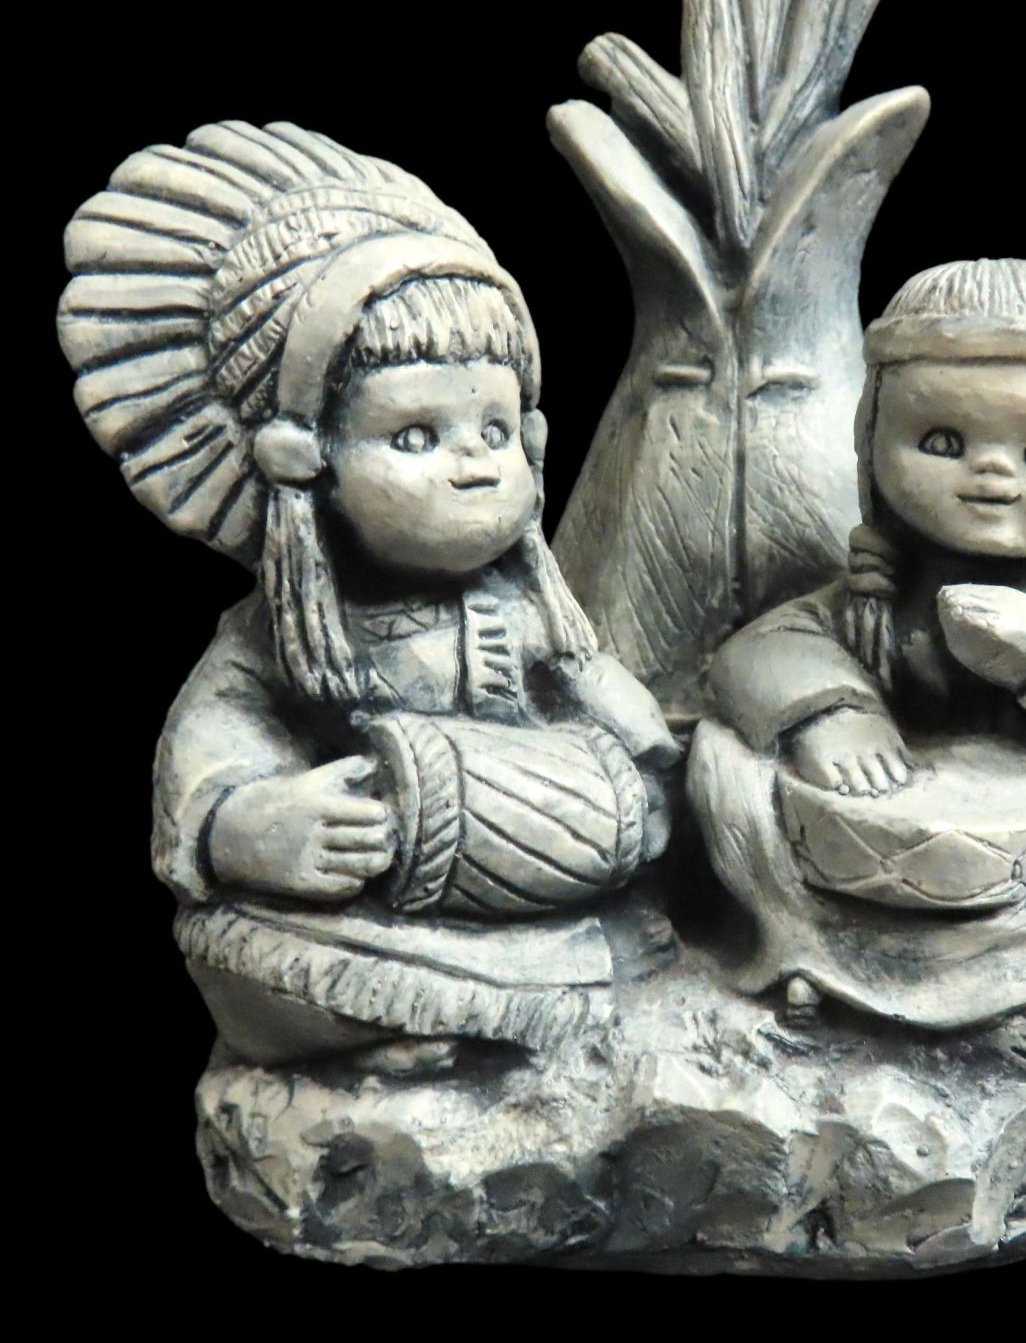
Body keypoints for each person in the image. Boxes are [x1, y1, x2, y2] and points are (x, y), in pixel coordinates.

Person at [59, 121, 677, 1064]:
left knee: (643, 929)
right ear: (306, 461)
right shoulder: (284, 632)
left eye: (494, 431)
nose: (474, 465)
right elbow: (211, 749)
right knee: (245, 951)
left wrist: (636, 783)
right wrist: (243, 830)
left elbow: (634, 737)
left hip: (537, 907)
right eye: (415, 438)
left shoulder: (531, 614)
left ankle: (444, 1028)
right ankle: (404, 1032)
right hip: (370, 909)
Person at [688, 258, 1026, 1072]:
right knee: (722, 754)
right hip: (868, 841)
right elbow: (756, 651)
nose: (994, 474)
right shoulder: (875, 599)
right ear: (872, 441)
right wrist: (831, 711)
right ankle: (808, 957)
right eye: (943, 442)